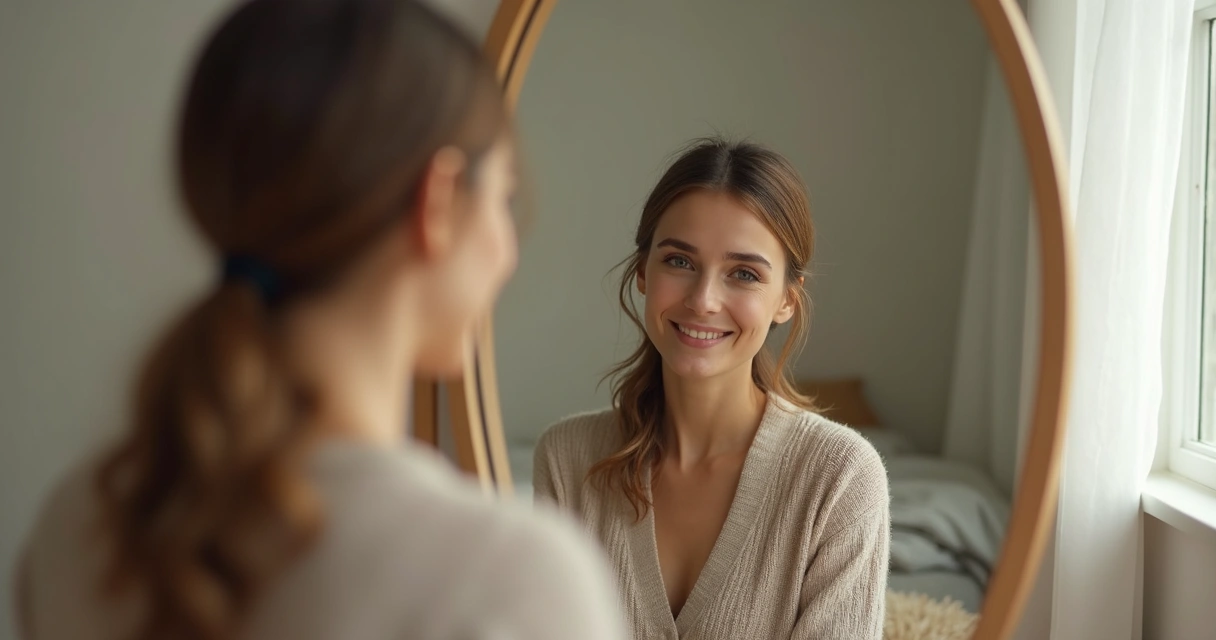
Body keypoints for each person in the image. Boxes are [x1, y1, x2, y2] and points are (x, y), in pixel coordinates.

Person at [13, 1, 623, 639]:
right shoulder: (513, 583)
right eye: (503, 196)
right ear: (438, 202)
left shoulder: (80, 528)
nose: (509, 250)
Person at [533, 137, 890, 639]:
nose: (703, 300)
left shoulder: (840, 481)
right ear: (642, 271)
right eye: (679, 261)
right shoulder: (567, 462)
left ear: (786, 300)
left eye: (743, 274)